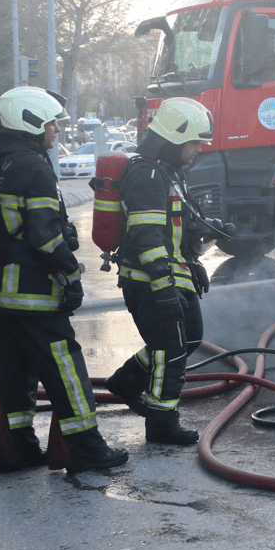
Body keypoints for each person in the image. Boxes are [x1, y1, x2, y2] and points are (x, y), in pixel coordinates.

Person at [0, 87, 128, 473]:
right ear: (31, 121)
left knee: (12, 376)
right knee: (67, 371)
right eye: (51, 121)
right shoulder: (33, 165)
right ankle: (87, 451)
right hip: (33, 293)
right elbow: (44, 236)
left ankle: (17, 450)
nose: (57, 129)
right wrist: (72, 274)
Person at [104, 98, 215, 445]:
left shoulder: (168, 173)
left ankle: (125, 381)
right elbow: (148, 236)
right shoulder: (147, 175)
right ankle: (162, 423)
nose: (199, 149)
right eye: (195, 142)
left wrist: (208, 229)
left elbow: (174, 228)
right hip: (149, 280)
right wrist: (164, 288)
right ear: (174, 139)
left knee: (189, 338)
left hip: (172, 273)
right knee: (170, 349)